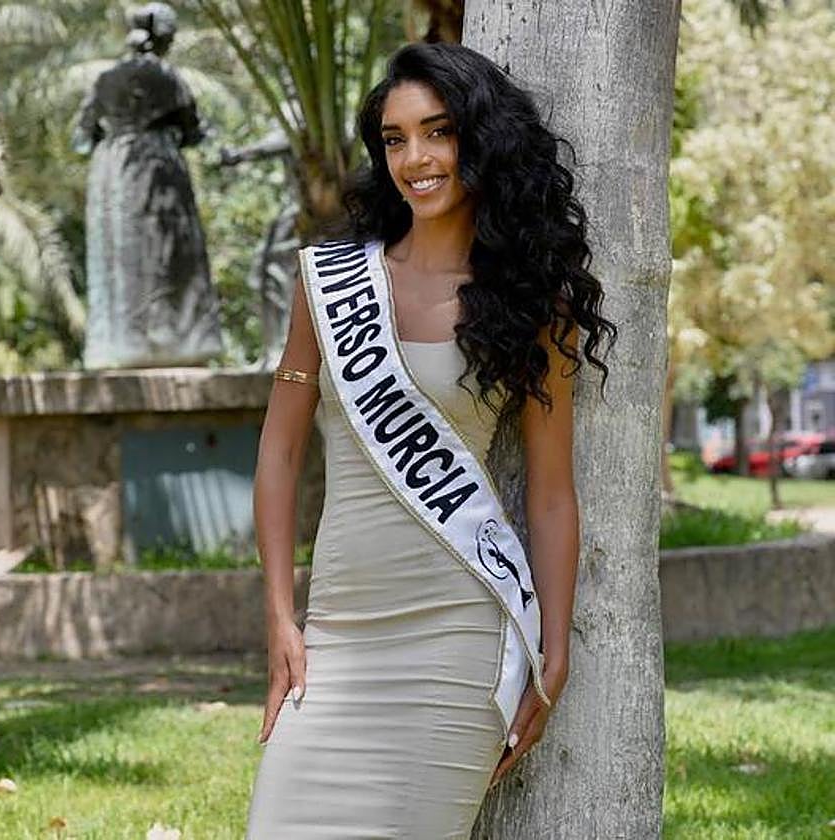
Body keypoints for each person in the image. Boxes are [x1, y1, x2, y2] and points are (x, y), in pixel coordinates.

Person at [243, 42, 617, 839]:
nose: (415, 158)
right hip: (334, 642)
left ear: (478, 140)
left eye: (437, 132)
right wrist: (280, 618)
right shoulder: (328, 282)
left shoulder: (527, 303)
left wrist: (554, 650)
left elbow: (551, 495)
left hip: (455, 645)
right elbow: (278, 453)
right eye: (394, 139)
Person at [71, 2, 225, 369]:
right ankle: (177, 344)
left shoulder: (106, 78)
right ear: (165, 38)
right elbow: (194, 131)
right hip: (156, 166)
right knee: (168, 255)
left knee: (121, 255)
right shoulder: (168, 77)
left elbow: (81, 137)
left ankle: (120, 345)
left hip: (113, 171)